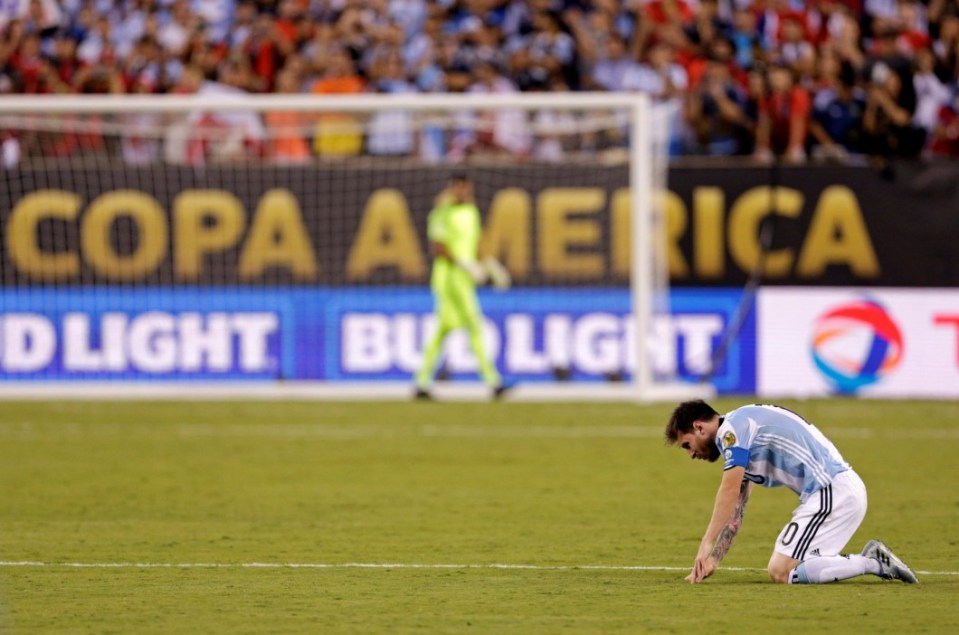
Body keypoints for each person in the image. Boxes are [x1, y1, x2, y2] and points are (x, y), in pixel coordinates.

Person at [664, 400, 919, 585]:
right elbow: (736, 511)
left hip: (832, 491)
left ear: (699, 427)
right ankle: (870, 561)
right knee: (790, 570)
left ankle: (872, 562)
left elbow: (728, 490)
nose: (691, 454)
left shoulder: (731, 432)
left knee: (781, 571)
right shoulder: (741, 433)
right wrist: (715, 560)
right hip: (835, 493)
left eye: (687, 445)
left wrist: (705, 545)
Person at [415, 174, 507, 401]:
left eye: (467, 188)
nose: (464, 193)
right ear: (452, 189)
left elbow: (475, 245)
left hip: (464, 278)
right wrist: (465, 265)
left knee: (442, 331)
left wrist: (490, 266)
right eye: (459, 188)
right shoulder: (441, 212)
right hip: (448, 277)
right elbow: (438, 246)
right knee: (474, 324)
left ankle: (421, 382)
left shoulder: (472, 212)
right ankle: (493, 382)